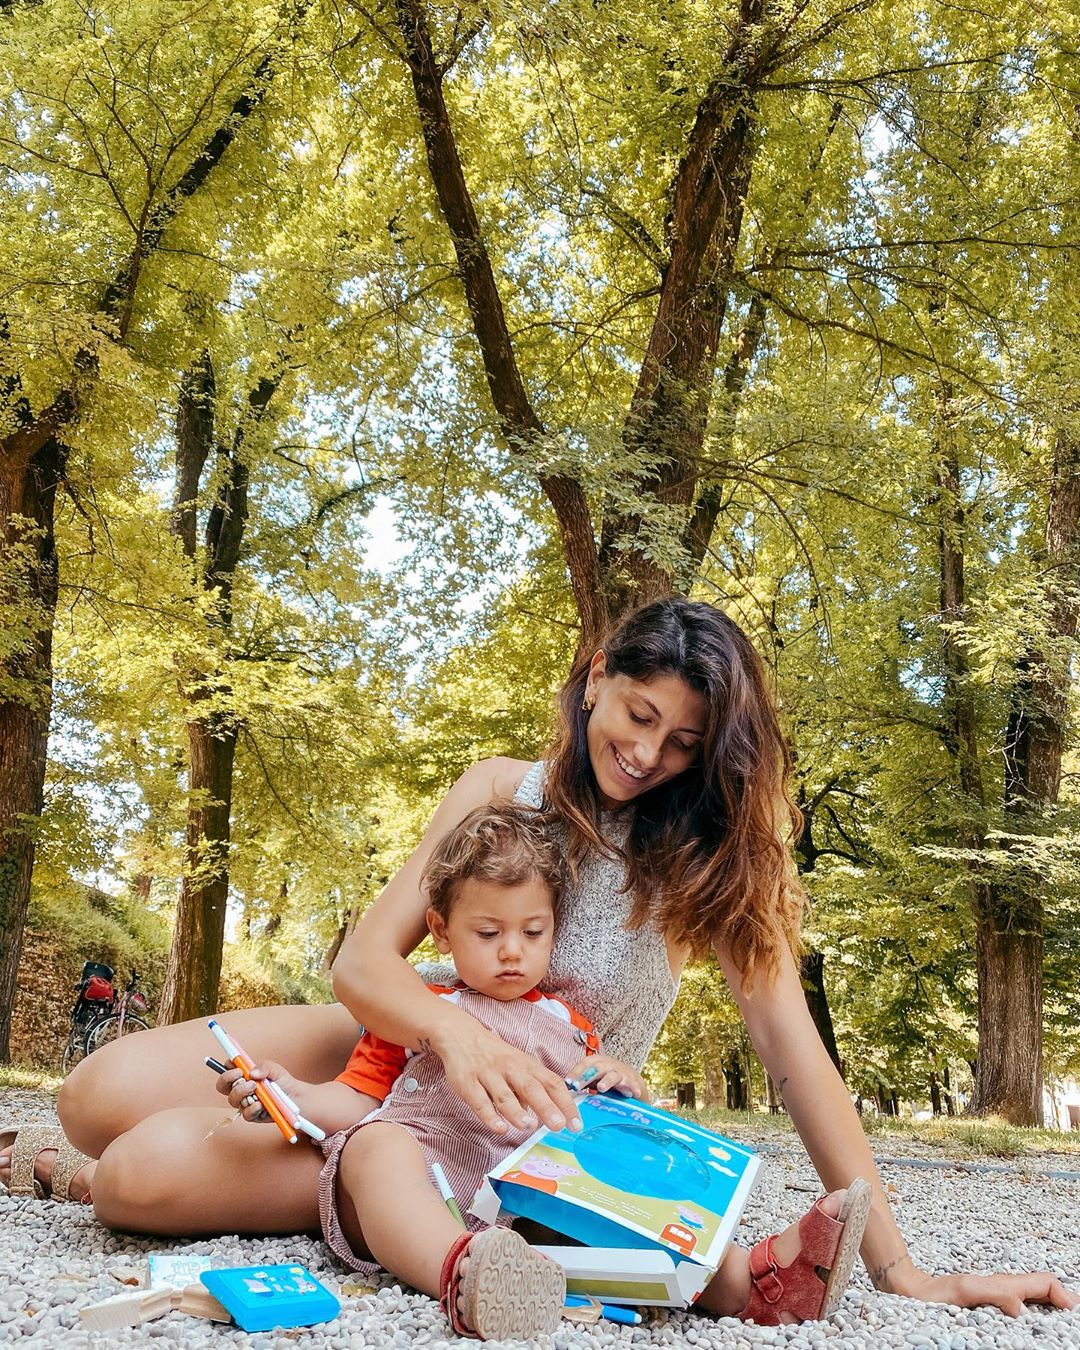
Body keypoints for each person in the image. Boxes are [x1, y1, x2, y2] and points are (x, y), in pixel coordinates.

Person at [3, 597, 1075, 1322]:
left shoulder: (709, 860)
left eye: (683, 742)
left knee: (143, 1172)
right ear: (598, 672)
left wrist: (904, 1268)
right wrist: (448, 1029)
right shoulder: (495, 789)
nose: (649, 753)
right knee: (100, 1091)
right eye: (639, 714)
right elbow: (365, 963)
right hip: (412, 1035)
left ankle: (116, 1180)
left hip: (523, 1115)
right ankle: (77, 1160)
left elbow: (795, 1058)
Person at [227, 801, 870, 1337]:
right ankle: (459, 1272)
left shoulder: (568, 1025)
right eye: (489, 933)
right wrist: (289, 1095)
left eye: (533, 933)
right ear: (442, 931)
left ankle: (753, 1281)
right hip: (426, 1182)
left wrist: (619, 1081)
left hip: (521, 1200)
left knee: (608, 1203)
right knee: (373, 1147)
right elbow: (355, 1102)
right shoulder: (417, 1012)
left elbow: (593, 1112)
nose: (513, 952)